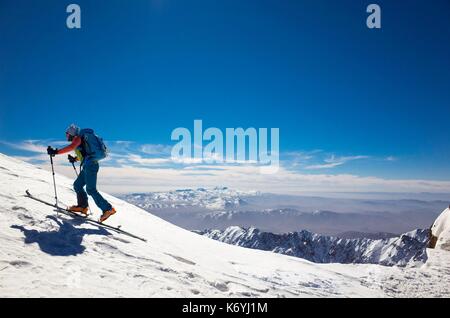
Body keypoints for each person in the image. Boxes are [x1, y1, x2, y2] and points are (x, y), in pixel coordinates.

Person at [47, 124, 116, 223]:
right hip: (88, 165)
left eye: (67, 134)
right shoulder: (82, 140)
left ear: (71, 133)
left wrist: (56, 152)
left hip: (91, 166)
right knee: (77, 185)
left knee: (91, 190)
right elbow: (86, 155)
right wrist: (75, 159)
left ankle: (108, 209)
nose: (66, 136)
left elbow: (71, 147)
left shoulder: (78, 138)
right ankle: (82, 207)